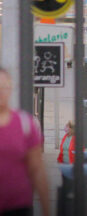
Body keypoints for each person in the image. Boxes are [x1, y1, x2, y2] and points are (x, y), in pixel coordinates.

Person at [0, 68, 50, 216]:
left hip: (18, 207)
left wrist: (46, 210)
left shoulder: (25, 123)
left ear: (11, 89)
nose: (1, 91)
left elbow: (37, 170)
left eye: (4, 87)